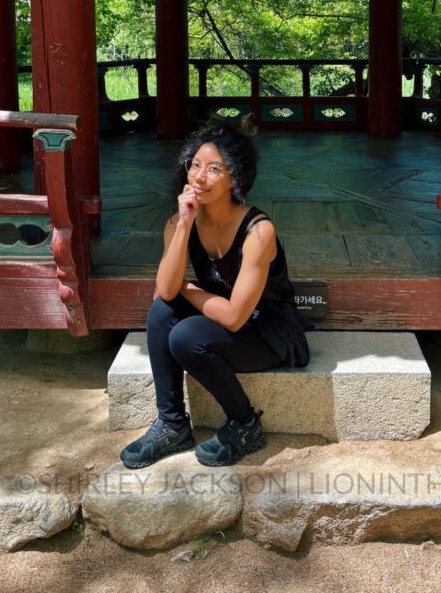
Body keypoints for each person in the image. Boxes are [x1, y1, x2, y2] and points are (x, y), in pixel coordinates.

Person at [120, 114, 312, 470]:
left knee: (186, 335)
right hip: (223, 318)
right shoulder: (181, 220)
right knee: (163, 312)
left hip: (266, 331)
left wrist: (188, 287)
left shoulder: (259, 231)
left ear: (235, 178)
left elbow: (235, 318)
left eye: (214, 169)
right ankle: (173, 424)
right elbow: (164, 290)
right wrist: (184, 225)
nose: (199, 176)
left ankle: (244, 423)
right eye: (195, 165)